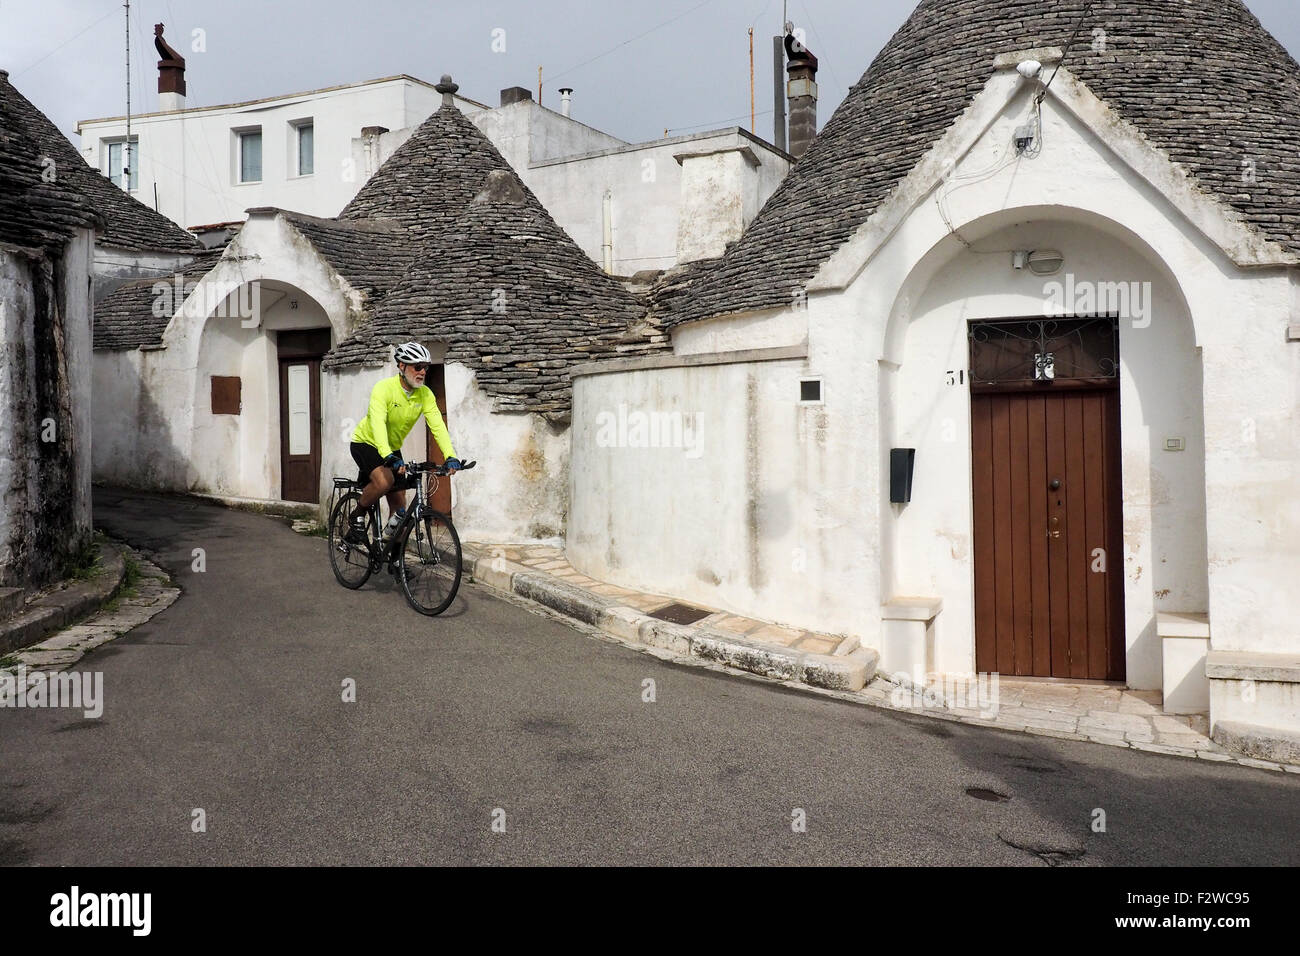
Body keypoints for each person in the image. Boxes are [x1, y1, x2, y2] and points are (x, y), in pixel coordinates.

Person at [345, 342, 462, 545]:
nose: (422, 372)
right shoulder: (384, 389)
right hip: (367, 442)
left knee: (400, 508)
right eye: (417, 367)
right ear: (401, 366)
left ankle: (394, 558)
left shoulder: (425, 395)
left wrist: (450, 455)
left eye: (425, 367)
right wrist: (387, 456)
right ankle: (357, 515)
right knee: (384, 482)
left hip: (391, 448)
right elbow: (378, 424)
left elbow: (437, 426)